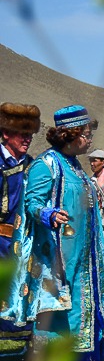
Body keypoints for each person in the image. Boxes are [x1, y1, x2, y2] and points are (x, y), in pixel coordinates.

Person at [1, 105, 104, 361]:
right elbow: (32, 203)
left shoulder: (76, 167)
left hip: (83, 255)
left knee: (81, 305)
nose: (90, 139)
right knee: (59, 307)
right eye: (86, 133)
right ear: (71, 134)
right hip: (58, 256)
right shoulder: (46, 165)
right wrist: (48, 214)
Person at [0, 102, 42, 344]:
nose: (27, 140)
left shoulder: (31, 165)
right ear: (6, 133)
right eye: (22, 134)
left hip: (22, 245)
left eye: (30, 135)